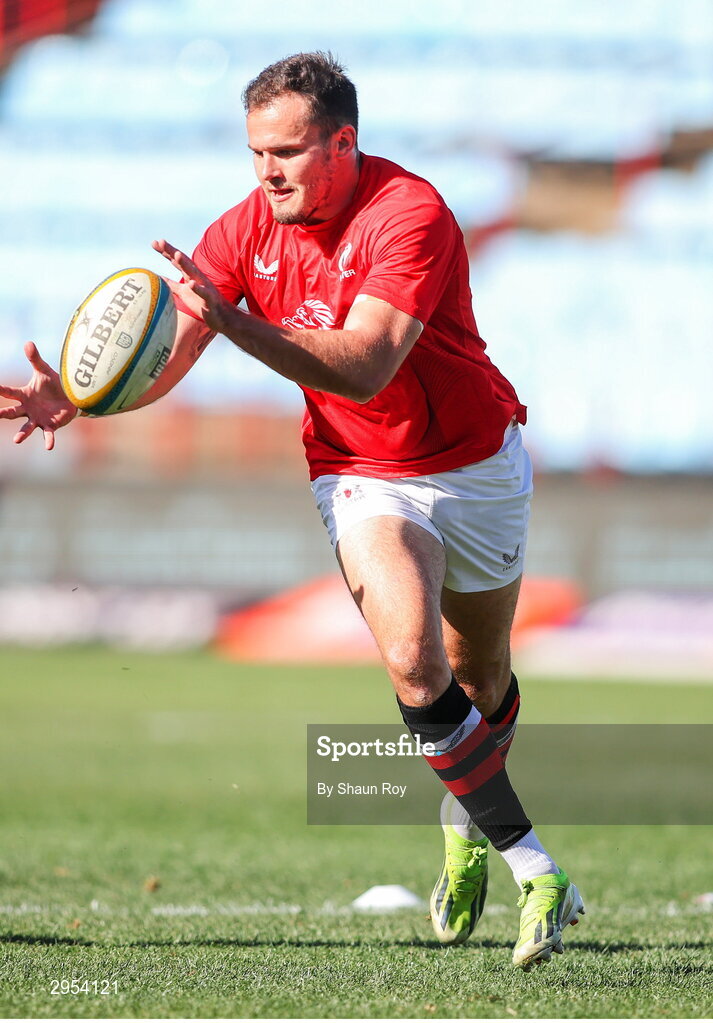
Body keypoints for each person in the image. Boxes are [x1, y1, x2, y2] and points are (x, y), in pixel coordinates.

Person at [0, 51, 584, 970]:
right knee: (409, 658)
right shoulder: (238, 233)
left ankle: (463, 820)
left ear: (342, 143)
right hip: (359, 470)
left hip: (476, 465)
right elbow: (176, 347)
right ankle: (535, 865)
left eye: (287, 152)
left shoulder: (411, 214)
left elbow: (364, 362)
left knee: (480, 676)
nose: (266, 172)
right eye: (255, 153)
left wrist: (242, 325)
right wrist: (86, 396)